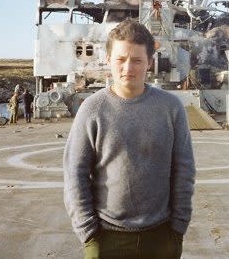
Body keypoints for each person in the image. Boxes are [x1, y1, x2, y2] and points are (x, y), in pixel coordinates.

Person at [63, 20, 196, 259]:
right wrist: (88, 232)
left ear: (149, 63)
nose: (128, 68)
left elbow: (184, 169)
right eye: (120, 59)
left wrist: (178, 226)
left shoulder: (171, 108)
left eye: (137, 60)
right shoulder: (93, 109)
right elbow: (75, 172)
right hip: (105, 238)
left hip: (162, 236)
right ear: (108, 60)